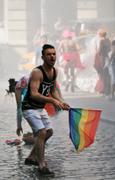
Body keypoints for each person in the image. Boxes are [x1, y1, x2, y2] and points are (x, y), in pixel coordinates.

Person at [16, 44, 70, 175]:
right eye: (48, 54)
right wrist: (52, 101)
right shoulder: (37, 72)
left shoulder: (54, 71)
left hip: (40, 108)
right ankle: (41, 165)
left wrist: (61, 102)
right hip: (29, 107)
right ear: (43, 57)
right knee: (41, 132)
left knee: (49, 132)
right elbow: (34, 94)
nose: (52, 57)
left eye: (54, 54)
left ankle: (31, 157)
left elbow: (52, 90)